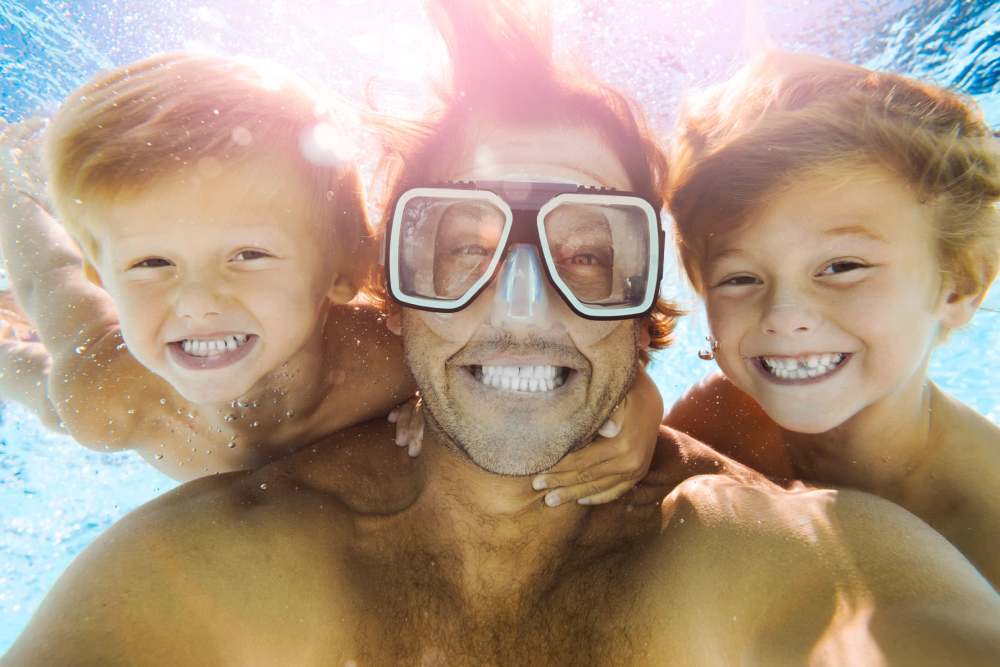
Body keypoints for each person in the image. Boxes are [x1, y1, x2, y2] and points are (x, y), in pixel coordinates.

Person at [4, 3, 1000, 664]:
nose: (520, 302)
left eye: (588, 251)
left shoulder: (784, 547)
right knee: (89, 384)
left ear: (656, 296)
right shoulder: (199, 568)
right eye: (458, 241)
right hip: (117, 381)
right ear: (389, 284)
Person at [0, 54, 661, 505]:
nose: (196, 299)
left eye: (248, 256)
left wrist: (638, 405)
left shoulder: (388, 357)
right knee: (51, 323)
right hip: (103, 375)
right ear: (110, 277)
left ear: (346, 270)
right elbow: (57, 280)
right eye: (151, 264)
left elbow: (542, 344)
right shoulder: (106, 394)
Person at [662, 51, 1000, 586]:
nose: (783, 316)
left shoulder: (986, 527)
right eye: (740, 278)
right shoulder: (716, 420)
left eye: (842, 267)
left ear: (960, 284)